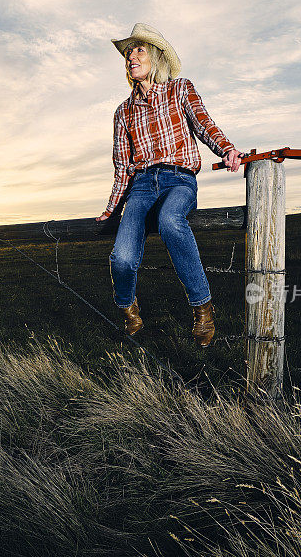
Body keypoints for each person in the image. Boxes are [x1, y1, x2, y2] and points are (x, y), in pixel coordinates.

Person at [96, 23, 243, 348]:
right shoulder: (123, 111)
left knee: (170, 221)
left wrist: (228, 149)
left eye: (138, 50)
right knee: (121, 258)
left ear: (156, 56)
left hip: (179, 180)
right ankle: (128, 308)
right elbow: (123, 167)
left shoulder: (179, 89)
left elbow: (204, 125)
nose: (131, 57)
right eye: (127, 53)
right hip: (142, 186)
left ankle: (202, 308)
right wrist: (110, 209)